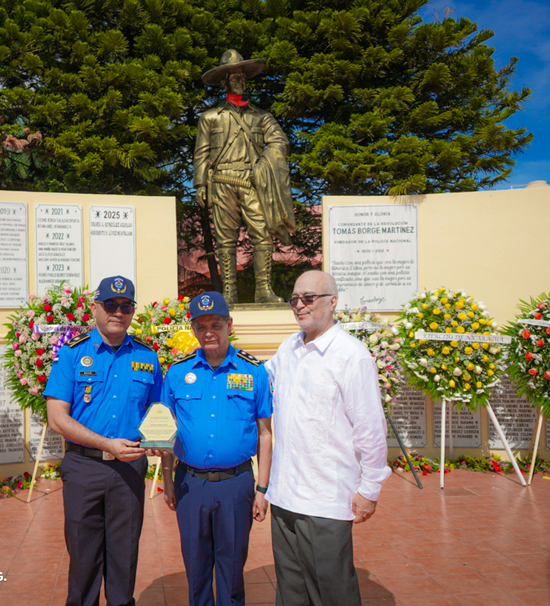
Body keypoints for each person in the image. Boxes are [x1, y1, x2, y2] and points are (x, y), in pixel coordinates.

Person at [264, 270, 391, 606]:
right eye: (294, 299)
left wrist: (369, 489)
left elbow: (370, 429)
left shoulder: (352, 356)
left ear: (332, 302)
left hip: (325, 500)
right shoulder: (288, 348)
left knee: (332, 593)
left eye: (309, 298)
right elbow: (257, 383)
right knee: (291, 592)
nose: (299, 306)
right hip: (285, 494)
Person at [44, 275, 163, 606]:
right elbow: (57, 418)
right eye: (110, 305)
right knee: (84, 559)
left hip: (128, 470)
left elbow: (159, 415)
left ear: (133, 311)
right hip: (84, 468)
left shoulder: (147, 357)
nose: (118, 312)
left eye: (126, 306)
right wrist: (106, 444)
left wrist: (157, 442)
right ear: (95, 308)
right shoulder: (71, 354)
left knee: (124, 558)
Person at [157, 291, 273, 606]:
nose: (209, 332)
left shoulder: (253, 371)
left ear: (229, 325)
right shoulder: (177, 373)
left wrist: (262, 489)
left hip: (236, 485)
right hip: (189, 484)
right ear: (193, 328)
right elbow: (166, 432)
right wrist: (167, 481)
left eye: (216, 324)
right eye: (201, 325)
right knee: (195, 567)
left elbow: (265, 433)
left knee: (232, 566)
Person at [195, 49, 296, 304]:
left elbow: (280, 142)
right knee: (225, 239)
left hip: (252, 183)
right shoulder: (210, 117)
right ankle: (229, 293)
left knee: (262, 234)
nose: (240, 81)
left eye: (242, 76)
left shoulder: (261, 116)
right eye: (234, 77)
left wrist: (265, 163)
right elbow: (202, 154)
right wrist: (200, 184)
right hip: (221, 183)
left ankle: (263, 290)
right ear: (224, 82)